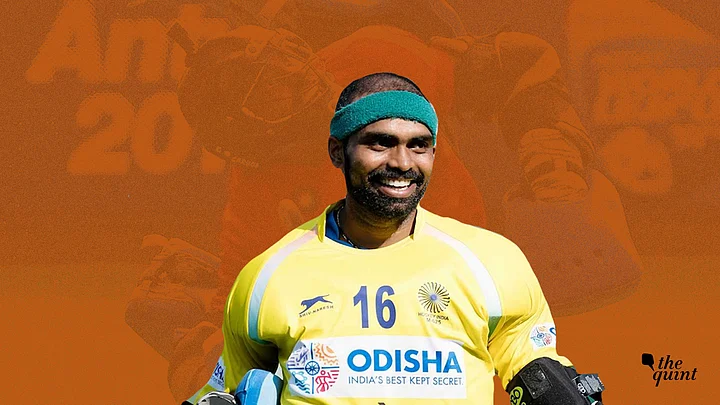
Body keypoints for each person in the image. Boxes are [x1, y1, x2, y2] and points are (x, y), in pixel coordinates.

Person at [182, 73, 605, 405]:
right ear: (337, 151)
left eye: (419, 145)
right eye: (381, 144)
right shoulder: (267, 276)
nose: (402, 163)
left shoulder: (494, 262)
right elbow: (226, 390)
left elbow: (536, 371)